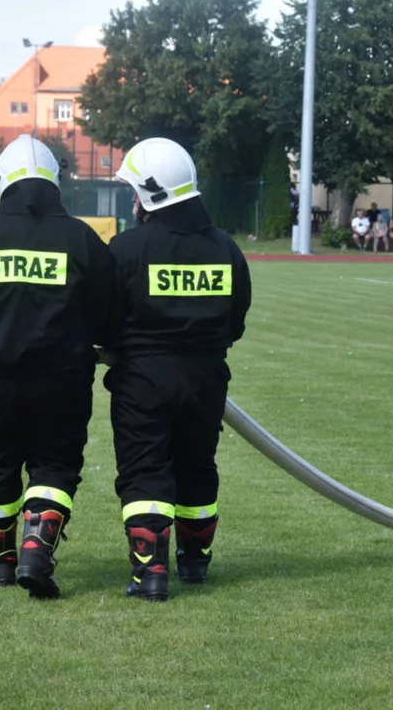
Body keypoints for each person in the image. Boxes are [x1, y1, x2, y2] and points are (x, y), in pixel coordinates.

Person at [0, 135, 115, 599]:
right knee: (55, 464)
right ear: (55, 182)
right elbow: (109, 309)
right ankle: (36, 549)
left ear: (1, 184)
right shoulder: (80, 236)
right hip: (63, 380)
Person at [107, 137, 251, 602]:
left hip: (142, 382)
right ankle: (195, 563)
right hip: (207, 380)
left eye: (134, 191)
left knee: (145, 471)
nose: (132, 201)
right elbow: (236, 322)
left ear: (151, 193)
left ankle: (149, 575)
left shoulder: (125, 249)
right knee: (197, 468)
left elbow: (103, 321)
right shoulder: (227, 249)